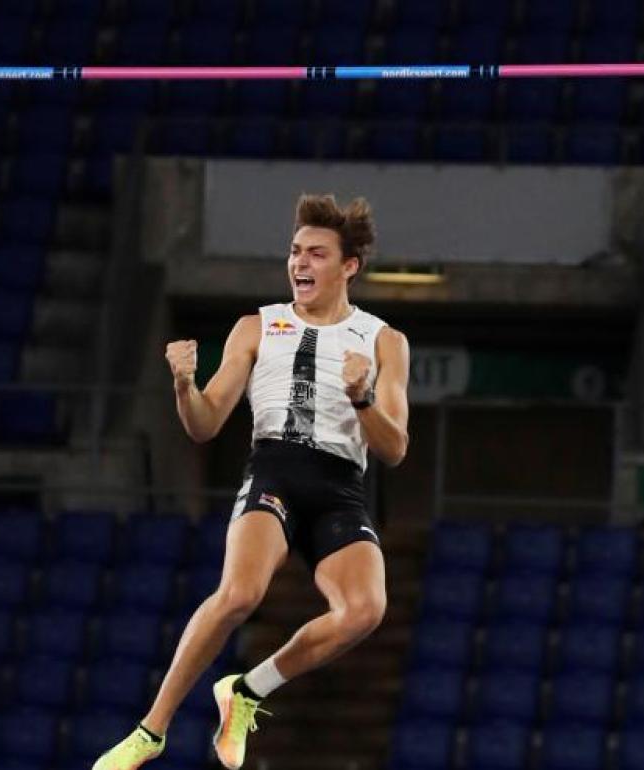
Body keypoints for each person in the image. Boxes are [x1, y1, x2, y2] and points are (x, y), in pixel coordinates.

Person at [94, 194, 411, 770]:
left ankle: (246, 691)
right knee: (239, 593)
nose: (300, 263)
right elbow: (204, 425)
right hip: (275, 470)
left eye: (316, 254)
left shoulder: (384, 340)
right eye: (294, 252)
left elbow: (394, 448)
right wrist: (184, 386)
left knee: (365, 610)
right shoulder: (256, 327)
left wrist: (363, 397)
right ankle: (150, 730)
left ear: (349, 266)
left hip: (340, 486)